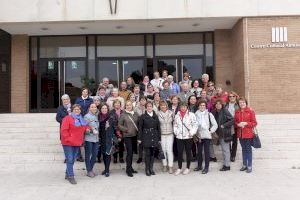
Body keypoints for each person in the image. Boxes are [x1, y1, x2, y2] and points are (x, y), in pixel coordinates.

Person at [60, 104, 89, 184]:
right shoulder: (67, 118)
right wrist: (69, 139)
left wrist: (89, 129)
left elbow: (85, 126)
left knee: (72, 159)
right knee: (69, 159)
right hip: (68, 142)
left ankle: (67, 173)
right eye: (75, 109)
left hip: (77, 142)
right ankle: (71, 176)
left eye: (78, 109)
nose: (77, 111)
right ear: (72, 110)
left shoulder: (81, 119)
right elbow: (63, 131)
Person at [173, 102, 198, 175]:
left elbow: (195, 125)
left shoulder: (191, 115)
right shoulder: (177, 115)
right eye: (181, 107)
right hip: (179, 137)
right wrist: (176, 132)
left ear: (187, 107)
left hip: (188, 137)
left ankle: (187, 168)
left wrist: (192, 132)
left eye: (184, 107)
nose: (183, 108)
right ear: (180, 107)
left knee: (188, 152)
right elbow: (175, 125)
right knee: (179, 152)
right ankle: (179, 168)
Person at [194, 100, 218, 174]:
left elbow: (215, 125)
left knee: (207, 152)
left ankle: (206, 167)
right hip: (199, 136)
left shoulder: (209, 114)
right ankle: (199, 166)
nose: (202, 107)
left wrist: (210, 131)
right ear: (198, 106)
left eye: (203, 105)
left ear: (205, 106)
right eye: (201, 105)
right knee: (199, 152)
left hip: (207, 135)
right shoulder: (195, 114)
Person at [234, 97, 257, 173]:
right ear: (238, 104)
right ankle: (244, 165)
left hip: (248, 134)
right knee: (243, 150)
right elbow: (235, 122)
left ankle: (249, 166)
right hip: (240, 135)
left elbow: (254, 123)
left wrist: (246, 123)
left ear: (246, 103)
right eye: (240, 103)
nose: (242, 104)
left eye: (243, 102)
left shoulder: (250, 111)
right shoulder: (237, 112)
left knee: (248, 150)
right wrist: (238, 125)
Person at [138, 101, 161, 176]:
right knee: (147, 154)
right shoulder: (142, 116)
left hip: (154, 136)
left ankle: (151, 168)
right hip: (146, 136)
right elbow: (140, 128)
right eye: (147, 106)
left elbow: (158, 128)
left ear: (152, 107)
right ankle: (147, 169)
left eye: (150, 106)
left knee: (152, 154)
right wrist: (139, 138)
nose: (149, 108)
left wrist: (159, 138)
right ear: (146, 108)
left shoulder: (156, 116)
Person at [118, 101, 139, 177]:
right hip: (127, 136)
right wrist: (126, 130)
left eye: (130, 105)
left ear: (132, 106)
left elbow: (139, 123)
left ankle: (131, 168)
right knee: (129, 152)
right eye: (127, 105)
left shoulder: (136, 114)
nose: (128, 106)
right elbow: (119, 125)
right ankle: (128, 169)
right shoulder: (123, 115)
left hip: (135, 136)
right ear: (125, 106)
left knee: (132, 152)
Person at [212, 99, 234, 171]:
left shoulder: (225, 111)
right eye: (217, 104)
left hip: (224, 133)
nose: (218, 105)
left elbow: (232, 120)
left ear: (222, 105)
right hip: (217, 133)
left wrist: (224, 125)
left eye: (219, 104)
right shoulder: (214, 112)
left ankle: (227, 165)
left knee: (225, 150)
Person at [99, 103, 118, 177]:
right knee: (103, 154)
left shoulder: (111, 117)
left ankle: (107, 170)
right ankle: (106, 168)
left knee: (108, 153)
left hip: (109, 138)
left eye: (105, 108)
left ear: (108, 109)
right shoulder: (99, 117)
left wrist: (116, 137)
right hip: (102, 138)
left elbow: (115, 128)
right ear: (100, 109)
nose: (104, 110)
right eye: (102, 108)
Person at [158, 101, 174, 174]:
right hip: (162, 134)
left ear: (167, 106)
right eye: (161, 105)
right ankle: (165, 165)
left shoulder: (171, 113)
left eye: (164, 105)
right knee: (163, 150)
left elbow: (174, 122)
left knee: (169, 150)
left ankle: (170, 166)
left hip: (170, 134)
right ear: (160, 106)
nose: (163, 107)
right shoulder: (157, 113)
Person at [84, 103, 99, 178]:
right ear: (89, 108)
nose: (94, 108)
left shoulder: (96, 116)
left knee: (95, 155)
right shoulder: (86, 117)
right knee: (88, 155)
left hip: (96, 139)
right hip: (89, 139)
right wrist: (91, 131)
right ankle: (89, 171)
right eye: (92, 107)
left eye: (95, 107)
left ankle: (90, 169)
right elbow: (85, 129)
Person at [224, 91, 240, 162]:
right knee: (228, 140)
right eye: (230, 96)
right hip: (228, 125)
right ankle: (229, 154)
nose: (232, 98)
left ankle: (233, 156)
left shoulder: (238, 105)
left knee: (234, 141)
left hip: (235, 125)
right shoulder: (226, 105)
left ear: (236, 97)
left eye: (233, 96)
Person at [110, 100, 124, 164]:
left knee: (121, 145)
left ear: (120, 105)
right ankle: (115, 157)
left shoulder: (123, 112)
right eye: (116, 103)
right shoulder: (111, 112)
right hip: (113, 131)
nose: (117, 104)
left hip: (122, 131)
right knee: (114, 144)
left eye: (118, 103)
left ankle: (121, 157)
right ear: (113, 105)